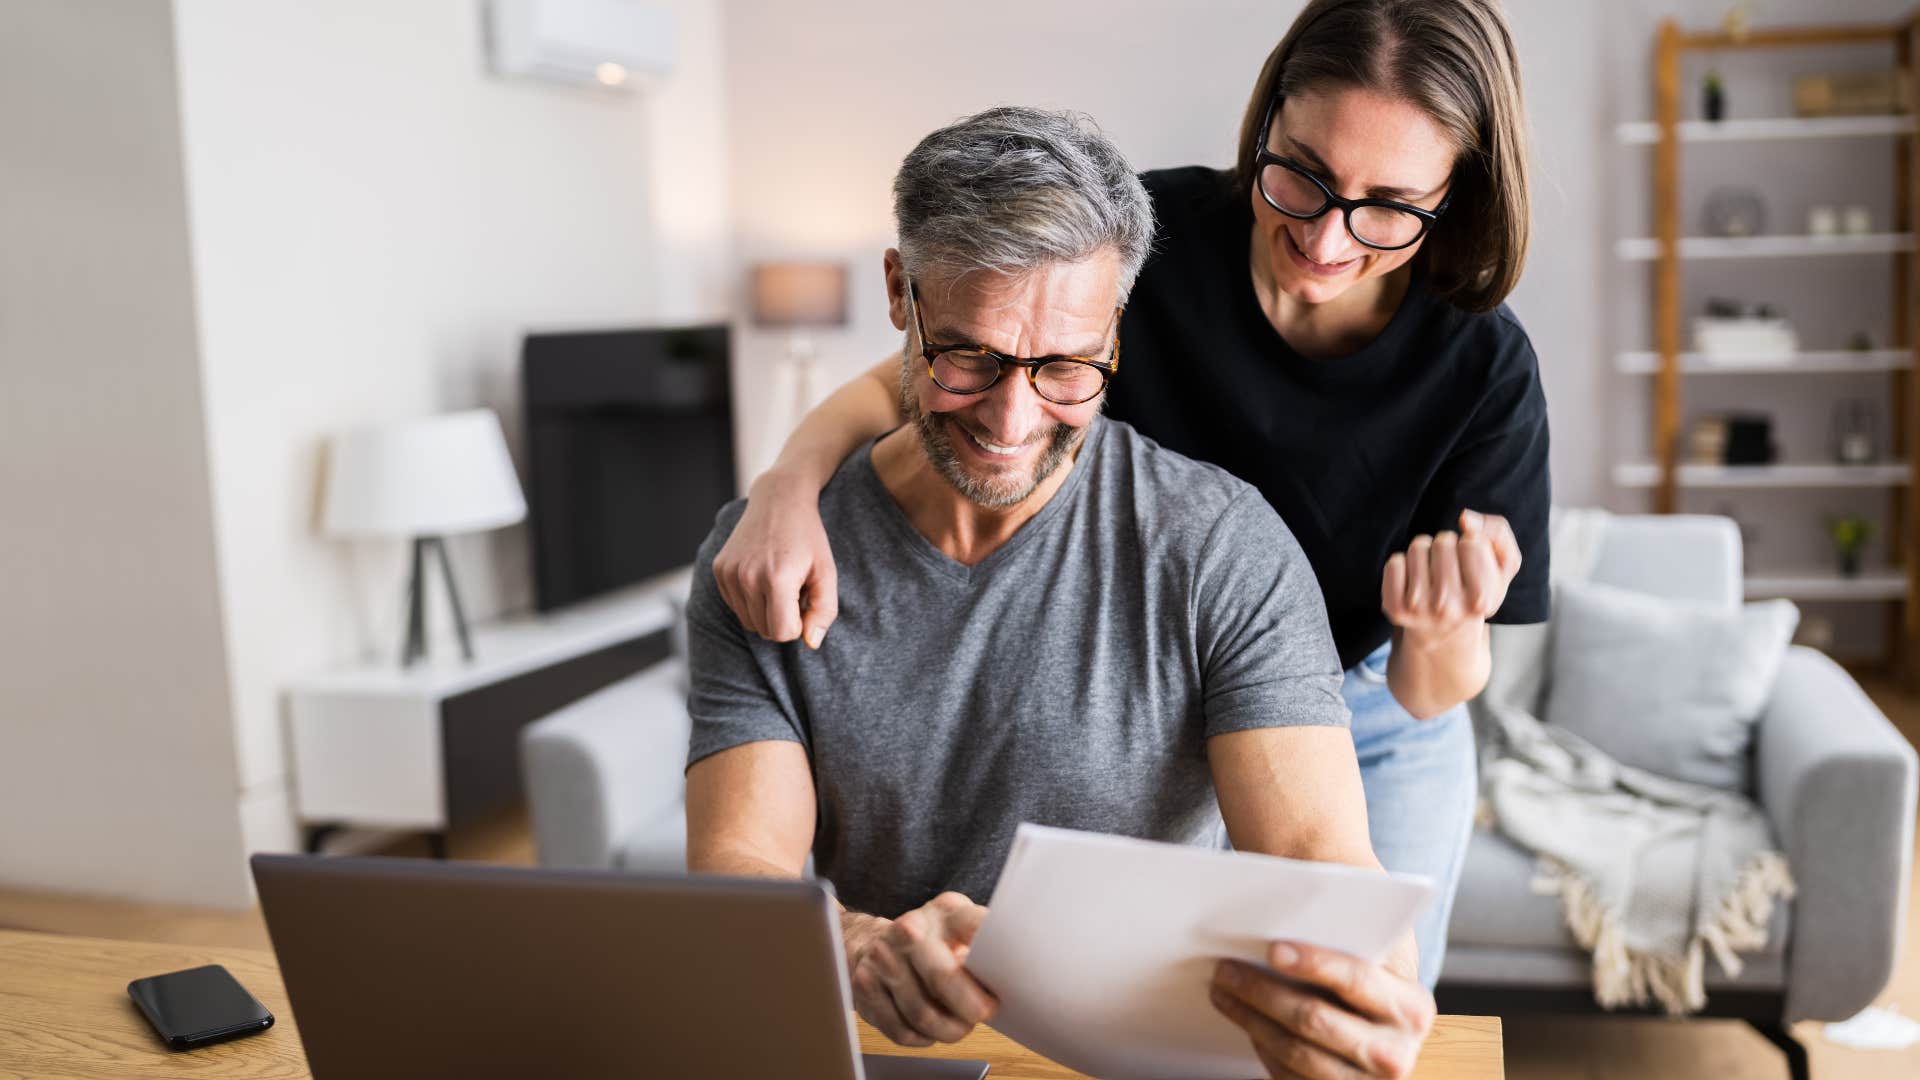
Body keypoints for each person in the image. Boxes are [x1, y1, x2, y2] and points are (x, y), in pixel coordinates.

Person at [711, 0, 1549, 999]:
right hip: (1173, 677)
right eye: (1304, 175)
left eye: (1388, 206)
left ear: (1454, 195)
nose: (1326, 237)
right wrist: (785, 486)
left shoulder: (1483, 366)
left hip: (1372, 700)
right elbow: (939, 369)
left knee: (1360, 991)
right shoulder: (1148, 241)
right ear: (1267, 121)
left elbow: (1430, 690)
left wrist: (1441, 626)